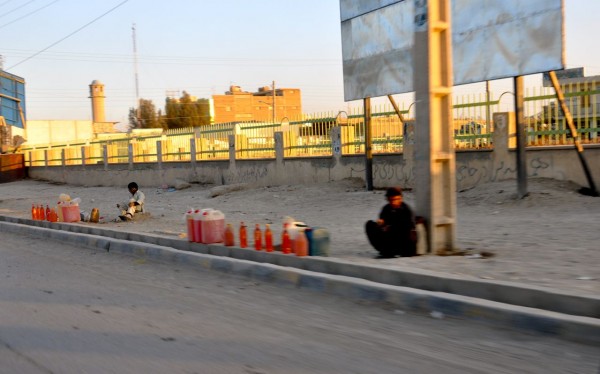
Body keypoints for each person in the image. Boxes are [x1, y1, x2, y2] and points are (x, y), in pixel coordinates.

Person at [365, 187, 417, 258]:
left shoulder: (406, 210)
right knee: (370, 224)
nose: (393, 202)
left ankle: (391, 250)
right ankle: (385, 250)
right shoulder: (386, 208)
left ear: (400, 199)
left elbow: (407, 227)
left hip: (403, 242)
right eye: (390, 200)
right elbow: (382, 221)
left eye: (395, 199)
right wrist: (381, 224)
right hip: (389, 238)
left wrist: (391, 227)